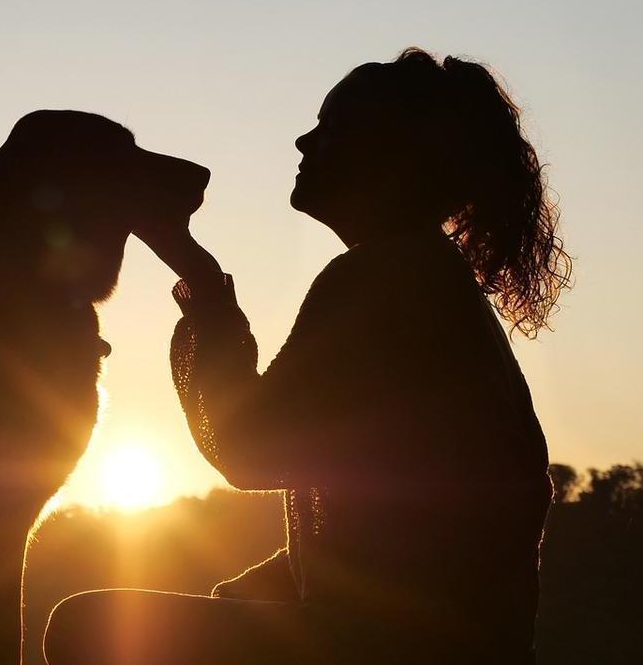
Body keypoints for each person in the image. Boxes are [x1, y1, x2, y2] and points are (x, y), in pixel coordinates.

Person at [42, 48, 571, 665]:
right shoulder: (427, 280)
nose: (303, 140)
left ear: (389, 159)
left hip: (400, 649)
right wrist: (251, 591)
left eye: (332, 127)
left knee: (87, 627)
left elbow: (248, 447)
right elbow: (399, 522)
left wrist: (202, 284)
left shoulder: (383, 278)